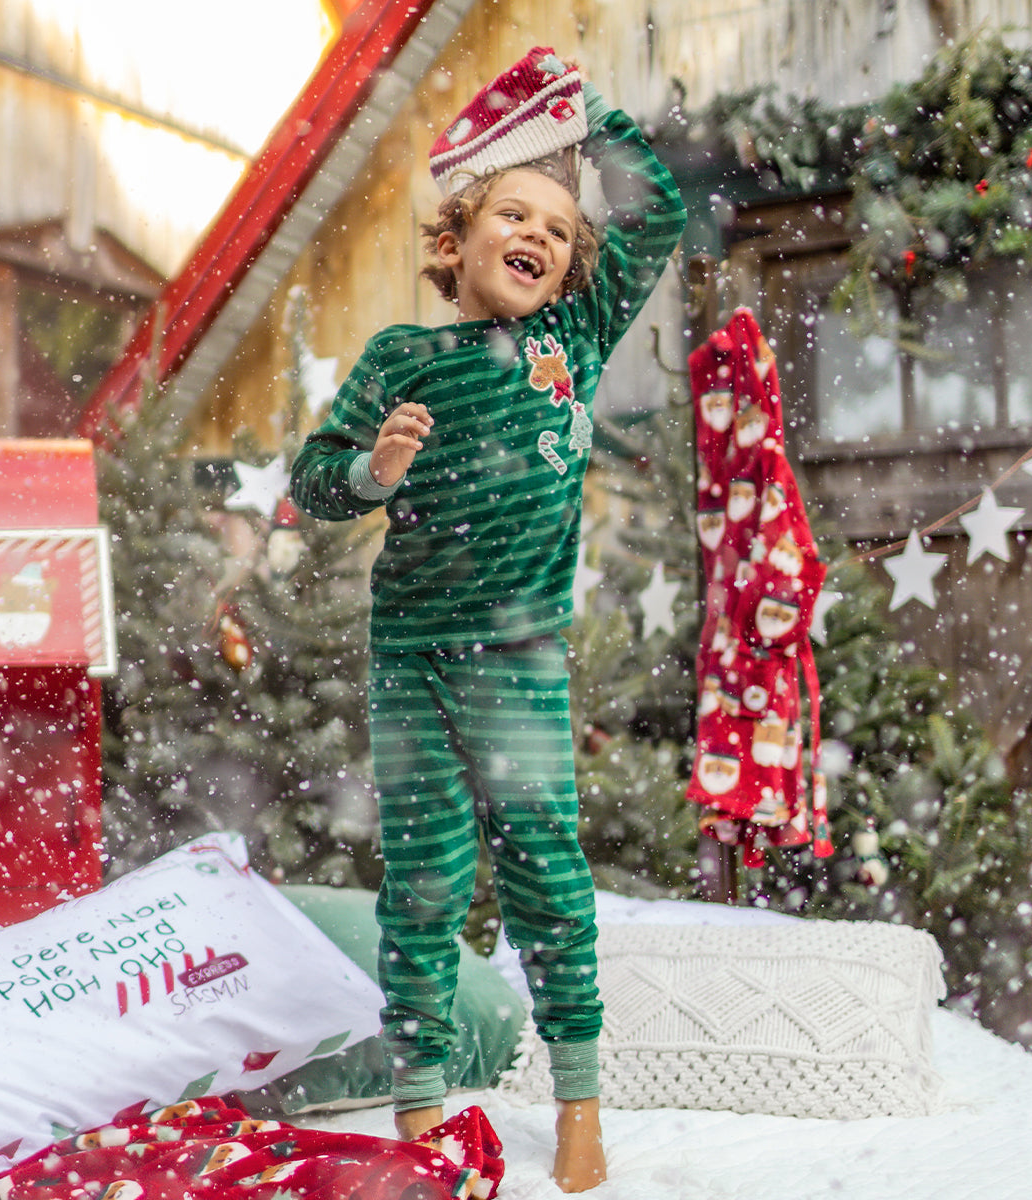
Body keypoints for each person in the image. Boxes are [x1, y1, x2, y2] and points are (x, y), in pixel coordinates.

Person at [291, 47, 685, 1193]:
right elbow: (312, 483)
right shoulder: (398, 358)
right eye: (513, 213)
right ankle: (418, 1105)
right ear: (455, 240)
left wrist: (586, 113)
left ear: (570, 271)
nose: (539, 237)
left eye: (558, 232)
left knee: (547, 873)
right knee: (421, 879)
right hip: (413, 657)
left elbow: (654, 210)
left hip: (519, 658)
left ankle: (577, 1101)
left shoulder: (575, 337)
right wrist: (370, 469)